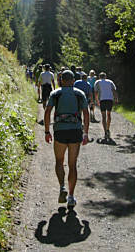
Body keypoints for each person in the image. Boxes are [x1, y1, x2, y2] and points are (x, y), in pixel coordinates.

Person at [44, 70, 89, 207]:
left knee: (59, 160)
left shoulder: (55, 93)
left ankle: (62, 187)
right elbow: (86, 114)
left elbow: (47, 112)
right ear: (73, 80)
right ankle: (71, 196)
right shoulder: (79, 94)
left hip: (60, 131)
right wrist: (85, 133)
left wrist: (47, 131)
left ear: (61, 80)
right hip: (75, 131)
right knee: (72, 164)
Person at [94, 72, 118, 139]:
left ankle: (105, 132)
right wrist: (116, 99)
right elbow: (114, 90)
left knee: (103, 116)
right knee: (109, 115)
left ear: (99, 77)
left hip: (102, 100)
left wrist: (96, 100)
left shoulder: (97, 82)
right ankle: (108, 129)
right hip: (110, 99)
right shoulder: (110, 82)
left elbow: (96, 92)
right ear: (105, 76)